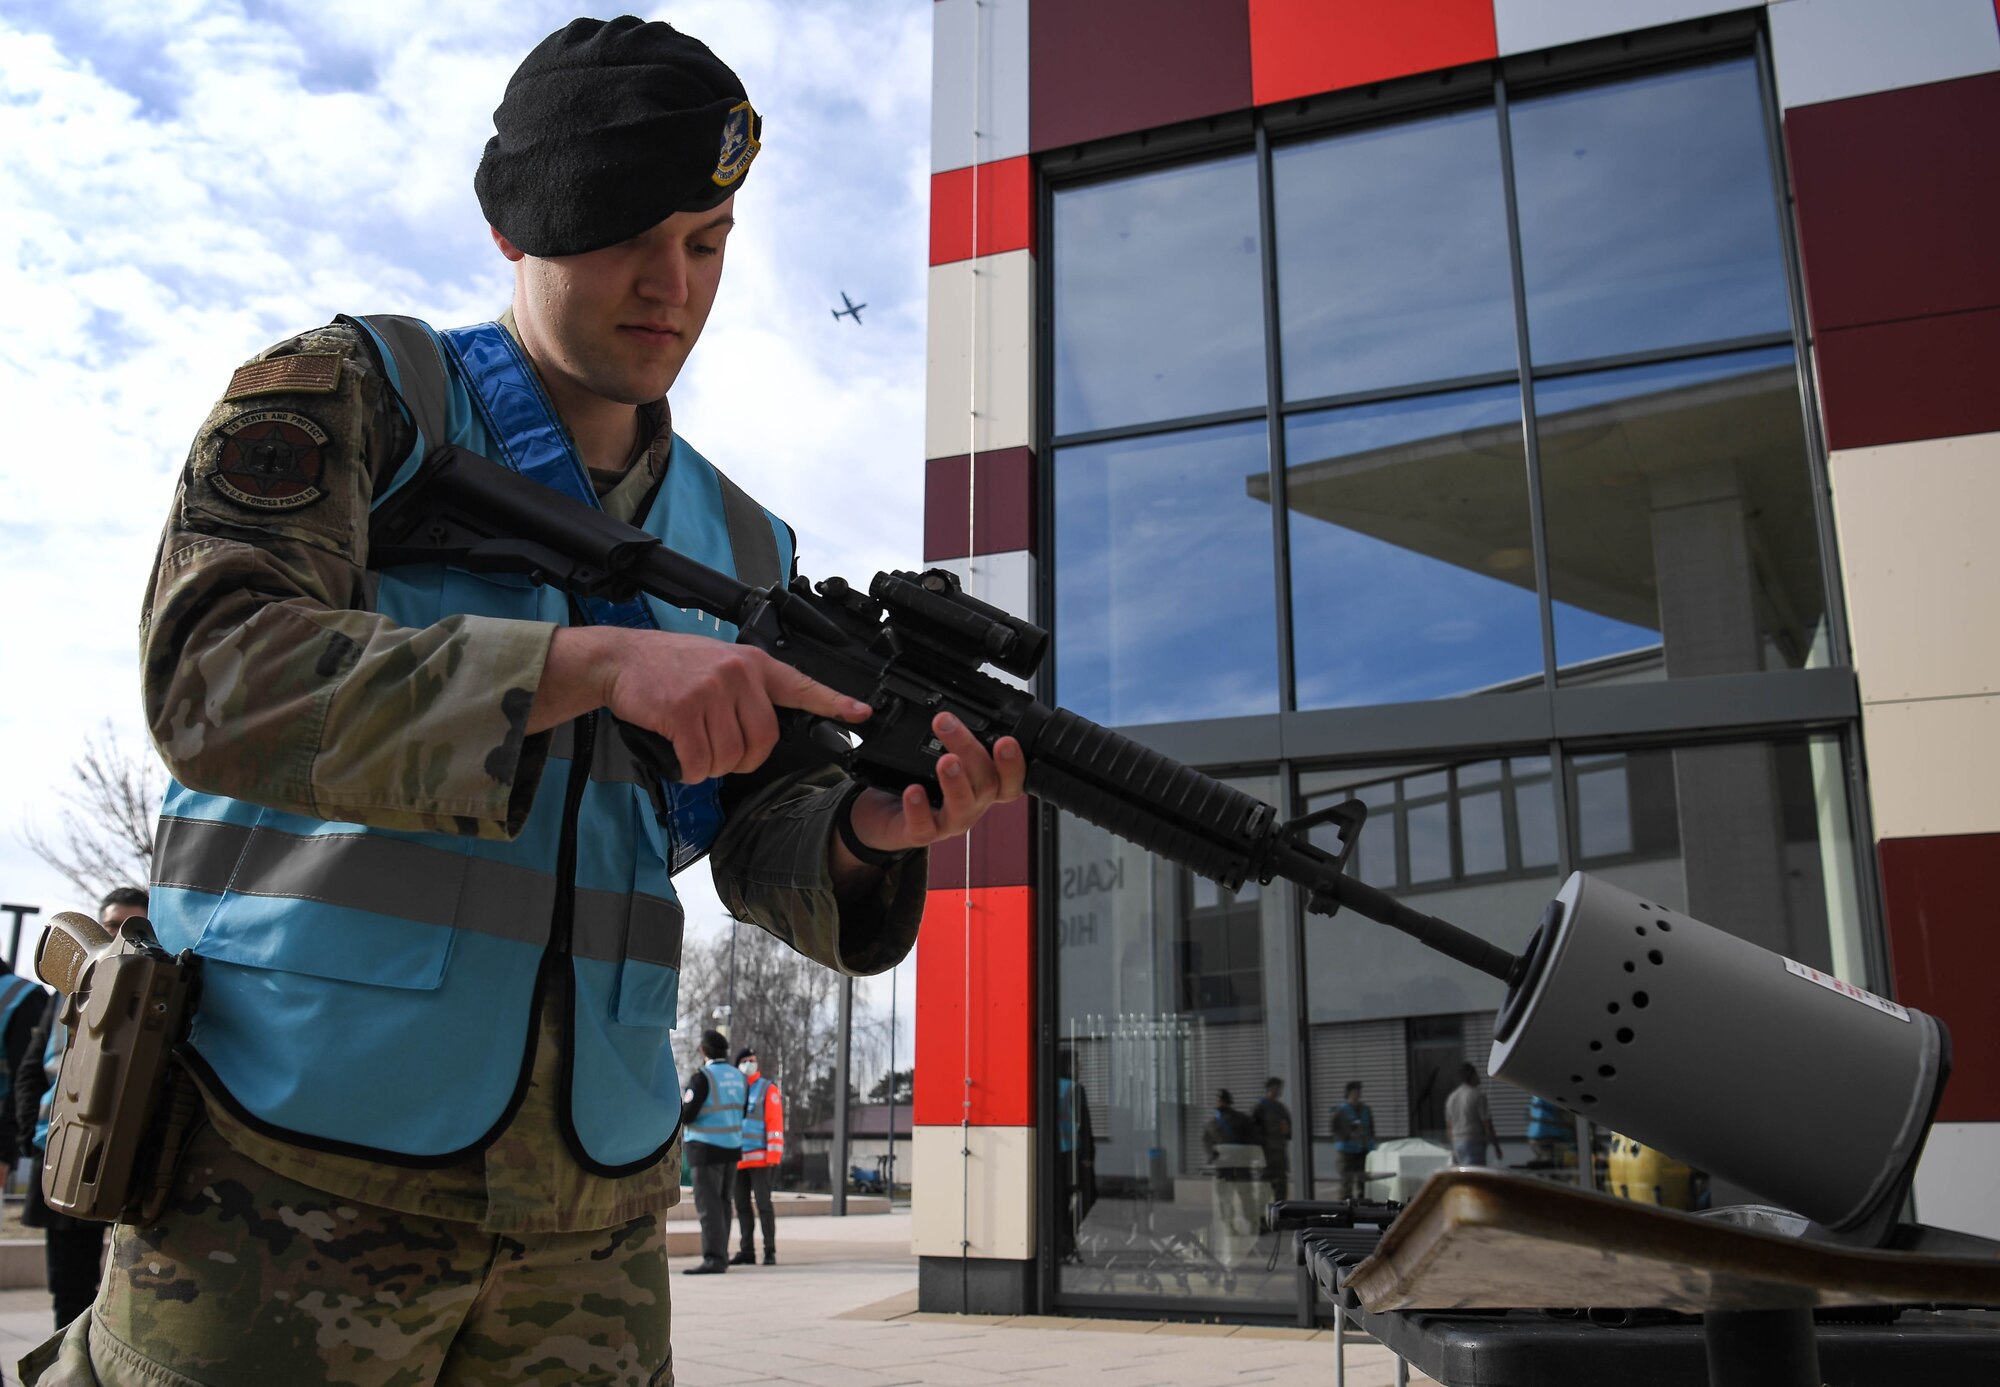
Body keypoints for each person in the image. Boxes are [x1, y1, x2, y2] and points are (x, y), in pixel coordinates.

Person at [21, 18, 1024, 1386]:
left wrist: (866, 837)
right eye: (631, 236)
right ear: (521, 230)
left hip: (591, 1215)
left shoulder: (745, 544)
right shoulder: (356, 400)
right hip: (277, 1163)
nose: (673, 285)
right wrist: (587, 667)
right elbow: (213, 679)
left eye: (710, 242)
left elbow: (758, 829)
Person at [15, 889, 146, 1329]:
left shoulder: (159, 989)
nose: (120, 934)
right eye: (111, 926)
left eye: (133, 925)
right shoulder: (66, 990)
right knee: (68, 1287)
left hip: (131, 1155)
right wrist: (32, 1143)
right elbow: (32, 1071)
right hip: (61, 1147)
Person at [680, 1031, 744, 1275]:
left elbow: (687, 1114)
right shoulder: (738, 1077)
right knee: (724, 1204)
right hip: (732, 1148)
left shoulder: (702, 1078)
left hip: (706, 1149)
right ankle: (722, 1255)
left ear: (703, 1050)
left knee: (708, 1207)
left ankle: (714, 1258)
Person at [729, 1045, 783, 1266]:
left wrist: (774, 1156)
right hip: (738, 1160)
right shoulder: (733, 1089)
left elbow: (774, 1124)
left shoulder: (766, 1089)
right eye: (745, 1060)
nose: (749, 1063)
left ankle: (769, 1251)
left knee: (764, 1205)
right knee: (741, 1206)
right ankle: (747, 1250)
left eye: (752, 1059)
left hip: (761, 1159)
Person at [1201, 1089, 1263, 1265]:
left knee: (1246, 1197)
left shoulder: (1241, 1120)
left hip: (1239, 1165)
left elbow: (1253, 1138)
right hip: (1224, 1168)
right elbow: (1207, 1144)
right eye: (1218, 1100)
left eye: (1222, 1100)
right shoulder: (1211, 1124)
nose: (1219, 1103)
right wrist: (1212, 1156)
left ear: (1227, 1101)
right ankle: (1230, 1226)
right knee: (1225, 1199)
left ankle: (1251, 1225)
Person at [1052, 1049, 1096, 1261]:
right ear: (1069, 1067)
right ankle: (1067, 1239)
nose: (1080, 1069)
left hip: (1055, 1154)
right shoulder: (1075, 1088)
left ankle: (1063, 1244)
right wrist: (1089, 1155)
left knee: (1061, 1201)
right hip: (1073, 1152)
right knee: (1089, 1194)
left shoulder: (1050, 1087)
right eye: (1077, 1064)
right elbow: (1083, 1125)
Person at [1445, 1062, 1504, 1168]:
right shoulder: (1478, 1095)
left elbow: (1450, 1126)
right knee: (1475, 1174)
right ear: (1471, 1076)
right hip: (1473, 1141)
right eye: (1476, 1074)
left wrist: (1453, 1147)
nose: (1478, 1077)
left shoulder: (1452, 1098)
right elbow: (1487, 1123)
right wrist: (1496, 1147)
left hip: (1457, 1142)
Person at [1330, 1080, 1376, 1201]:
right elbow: (1335, 1130)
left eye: (1358, 1091)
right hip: (1346, 1151)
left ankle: (1362, 1205)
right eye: (1354, 1091)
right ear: (1348, 1093)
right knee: (1346, 1182)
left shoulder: (1365, 1109)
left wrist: (1370, 1143)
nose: (1356, 1094)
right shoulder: (1340, 1110)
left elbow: (1371, 1129)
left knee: (1363, 1182)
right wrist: (1349, 1135)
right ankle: (1344, 1206)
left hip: (1363, 1149)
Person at [1252, 1076, 1292, 1207]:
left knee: (1281, 1186)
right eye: (1277, 1088)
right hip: (1266, 1154)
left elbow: (1289, 1131)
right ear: (1271, 1088)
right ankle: (1262, 1218)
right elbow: (1253, 1131)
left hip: (1279, 1153)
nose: (1279, 1091)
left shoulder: (1280, 1108)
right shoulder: (1260, 1108)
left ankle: (1279, 1214)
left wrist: (1286, 1130)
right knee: (1264, 1186)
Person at [1526, 1094, 1575, 1169]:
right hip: (1551, 1134)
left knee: (1543, 1158)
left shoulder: (1535, 1096)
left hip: (1533, 1136)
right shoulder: (1550, 1096)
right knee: (1554, 1160)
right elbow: (1561, 1114)